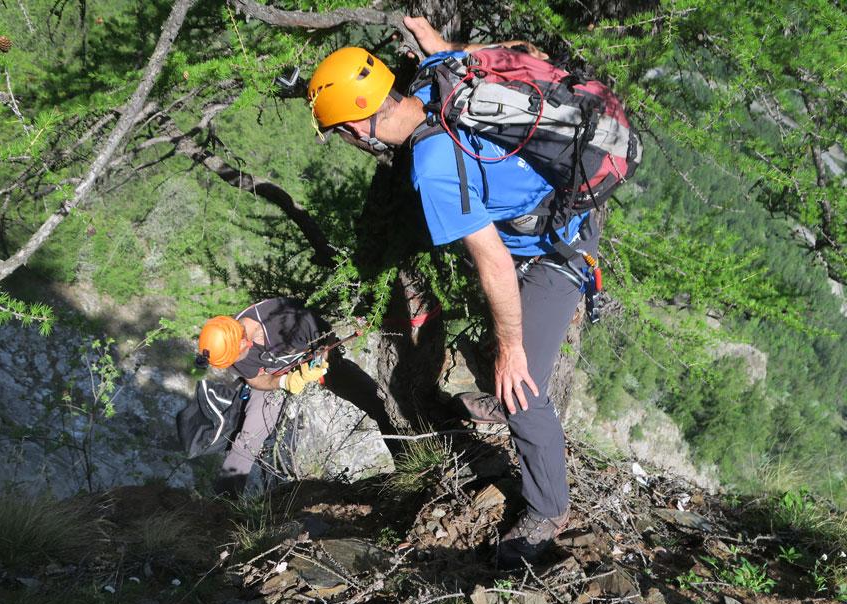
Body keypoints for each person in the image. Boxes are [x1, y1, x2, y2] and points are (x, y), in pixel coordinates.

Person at [307, 18, 602, 565]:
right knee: (502, 354)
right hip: (543, 224)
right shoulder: (433, 81)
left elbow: (491, 260)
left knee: (523, 388)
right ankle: (503, 388)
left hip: (554, 250)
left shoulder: (433, 164)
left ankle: (548, 507)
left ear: (355, 129)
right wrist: (436, 43)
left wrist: (511, 350)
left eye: (343, 133)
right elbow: (463, 54)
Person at [196, 297, 388, 493]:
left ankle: (407, 459)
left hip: (316, 360)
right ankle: (224, 502)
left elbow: (327, 337)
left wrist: (321, 362)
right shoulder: (233, 345)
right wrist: (283, 382)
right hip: (277, 375)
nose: (235, 363)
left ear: (244, 341)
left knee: (376, 402)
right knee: (248, 438)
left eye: (234, 358)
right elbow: (254, 380)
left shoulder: (287, 320)